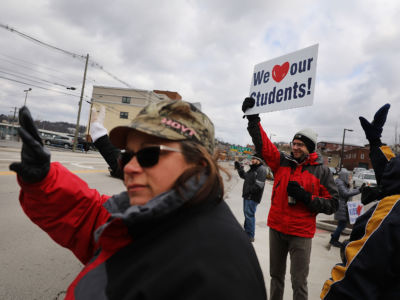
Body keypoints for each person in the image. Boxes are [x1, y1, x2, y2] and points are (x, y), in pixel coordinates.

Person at [10, 100, 267, 300]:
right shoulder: (155, 214)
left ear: (198, 163)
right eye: (128, 156)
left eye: (148, 155)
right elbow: (91, 219)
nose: (129, 168)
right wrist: (44, 180)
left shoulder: (216, 270)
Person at [241, 97, 339, 300]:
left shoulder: (322, 171)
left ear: (310, 147)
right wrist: (253, 119)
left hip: (300, 234)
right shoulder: (282, 162)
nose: (295, 147)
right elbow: (264, 144)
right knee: (275, 276)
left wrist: (305, 197)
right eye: (294, 143)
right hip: (276, 229)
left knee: (298, 282)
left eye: (300, 145)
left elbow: (333, 204)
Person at [321, 103, 400, 299]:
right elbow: (393, 172)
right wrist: (375, 142)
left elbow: (353, 281)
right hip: (342, 212)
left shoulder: (392, 211)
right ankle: (334, 239)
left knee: (340, 228)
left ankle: (334, 239)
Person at [234, 154, 268, 242]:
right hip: (247, 195)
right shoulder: (253, 168)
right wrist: (239, 168)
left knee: (249, 215)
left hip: (252, 197)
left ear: (259, 160)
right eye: (252, 158)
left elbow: (259, 185)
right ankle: (246, 233)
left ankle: (250, 236)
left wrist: (249, 191)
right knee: (247, 215)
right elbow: (244, 176)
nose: (252, 160)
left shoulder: (261, 169)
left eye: (255, 159)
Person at [328, 169, 362, 248]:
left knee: (341, 224)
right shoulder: (340, 183)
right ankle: (333, 240)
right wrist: (359, 190)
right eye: (349, 176)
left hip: (342, 206)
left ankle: (334, 237)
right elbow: (346, 194)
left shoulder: (341, 182)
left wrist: (358, 189)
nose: (350, 178)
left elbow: (347, 192)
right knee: (342, 224)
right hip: (341, 206)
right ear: (344, 176)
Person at [89, 105, 123, 178]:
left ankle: (101, 108)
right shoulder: (119, 170)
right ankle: (95, 109)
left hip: (109, 144)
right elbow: (115, 173)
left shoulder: (123, 167)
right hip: (100, 141)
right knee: (95, 123)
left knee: (98, 123)